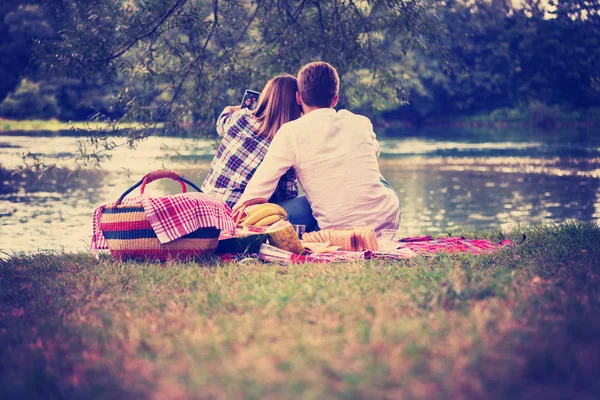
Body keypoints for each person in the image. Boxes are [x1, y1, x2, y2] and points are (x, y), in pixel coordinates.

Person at [235, 61, 400, 234]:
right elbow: (373, 153)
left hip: (337, 230)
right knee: (376, 175)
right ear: (335, 99)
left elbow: (261, 184)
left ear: (299, 98)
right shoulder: (360, 122)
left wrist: (240, 215)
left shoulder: (290, 132)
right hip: (386, 221)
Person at [201, 75, 302, 210]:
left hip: (205, 203)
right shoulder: (285, 143)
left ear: (266, 96)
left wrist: (235, 108)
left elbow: (221, 124)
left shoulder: (240, 117)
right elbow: (288, 193)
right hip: (238, 212)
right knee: (306, 205)